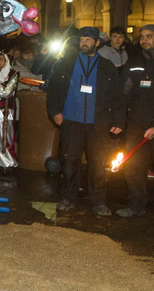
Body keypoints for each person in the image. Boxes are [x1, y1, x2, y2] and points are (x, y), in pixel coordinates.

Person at [46, 26, 124, 216]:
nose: (84, 42)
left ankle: (99, 201)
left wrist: (118, 120)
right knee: (70, 160)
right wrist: (55, 111)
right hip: (71, 120)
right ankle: (68, 197)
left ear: (97, 43)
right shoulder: (66, 63)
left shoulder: (106, 66)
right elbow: (54, 89)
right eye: (82, 39)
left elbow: (117, 96)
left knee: (97, 162)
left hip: (98, 123)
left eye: (89, 40)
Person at [116, 24, 154, 224]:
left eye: (149, 36)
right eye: (142, 37)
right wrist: (120, 119)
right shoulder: (134, 61)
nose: (144, 40)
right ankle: (136, 205)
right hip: (136, 124)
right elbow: (124, 91)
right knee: (133, 166)